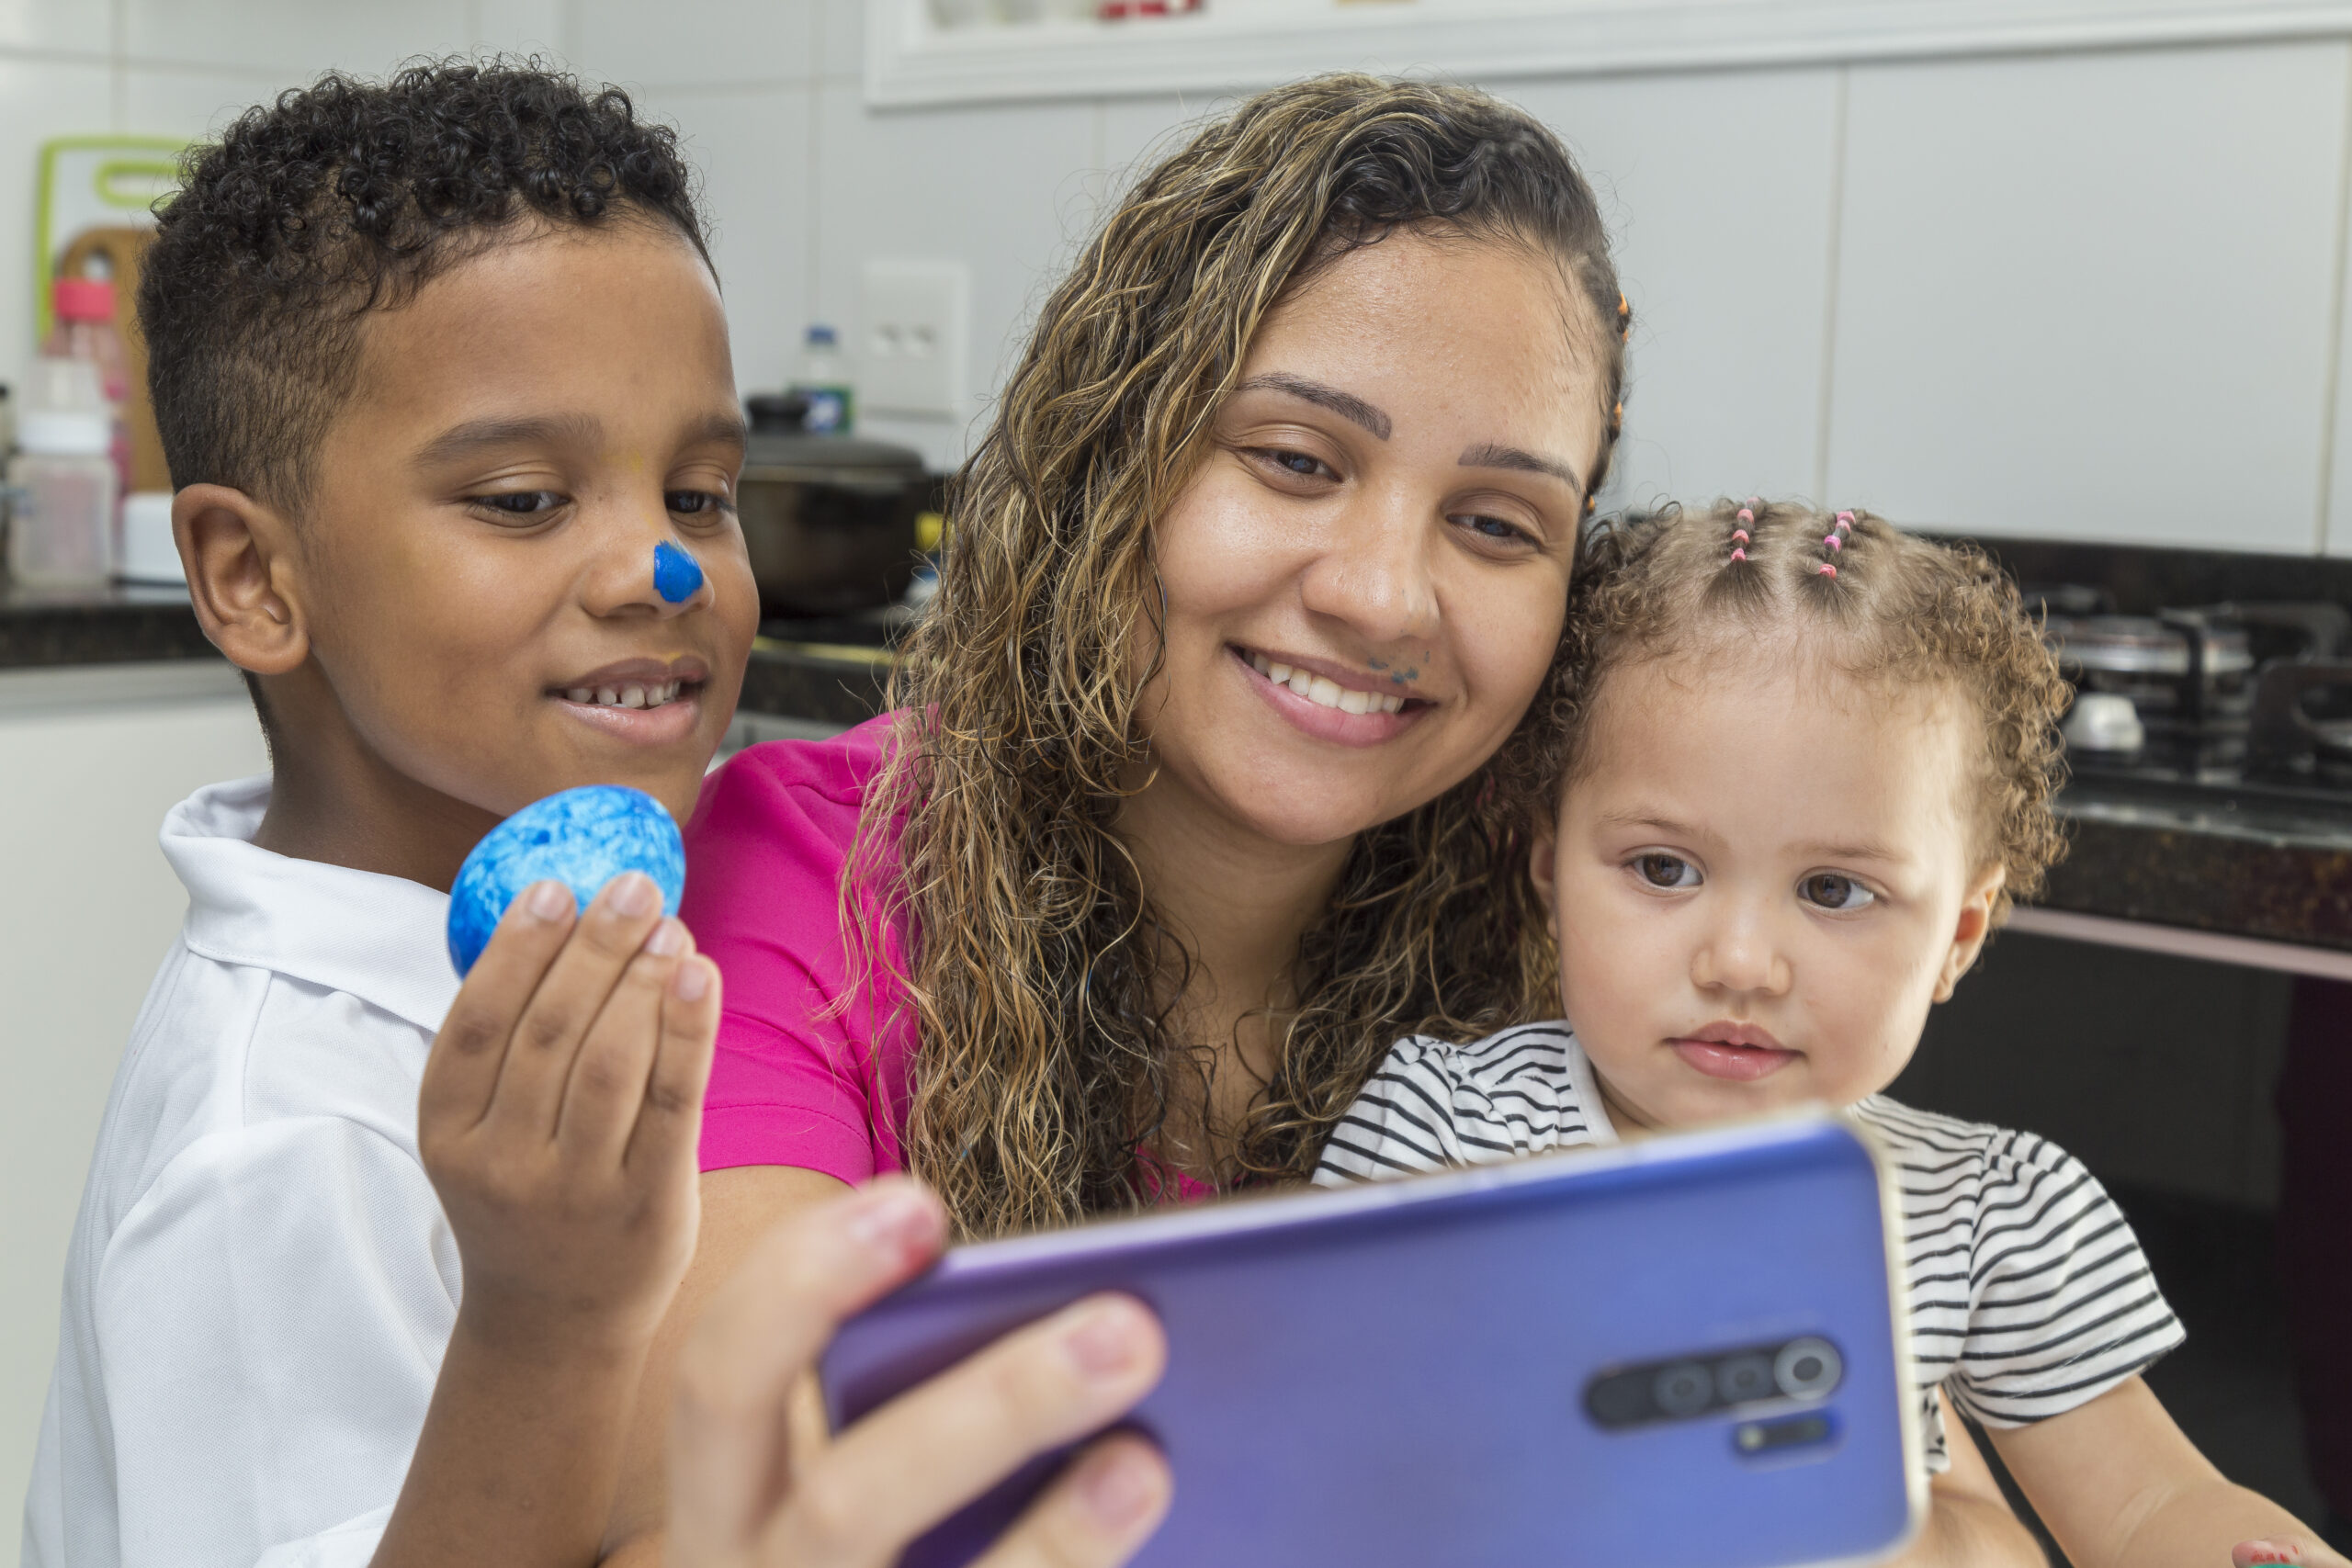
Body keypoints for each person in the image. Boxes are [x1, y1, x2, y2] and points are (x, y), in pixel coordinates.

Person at [600, 76, 2033, 1560]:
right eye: (1295, 460)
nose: (1382, 594)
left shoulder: (1611, 928)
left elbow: (1915, 1483)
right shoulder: (800, 871)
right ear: (1112, 459)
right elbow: (694, 1516)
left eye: (1495, 522)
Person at [23, 62, 756, 1568]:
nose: (662, 572)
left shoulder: (529, 940)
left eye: (698, 491)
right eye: (519, 499)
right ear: (251, 578)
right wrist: (544, 1313)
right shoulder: (278, 1138)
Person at [1314, 500, 2346, 1568]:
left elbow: (2148, 1511)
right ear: (1548, 873)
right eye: (1663, 869)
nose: (1741, 963)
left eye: (1833, 889)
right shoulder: (1444, 1129)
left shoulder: (1988, 1215)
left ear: (1956, 937)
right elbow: (1306, 1434)